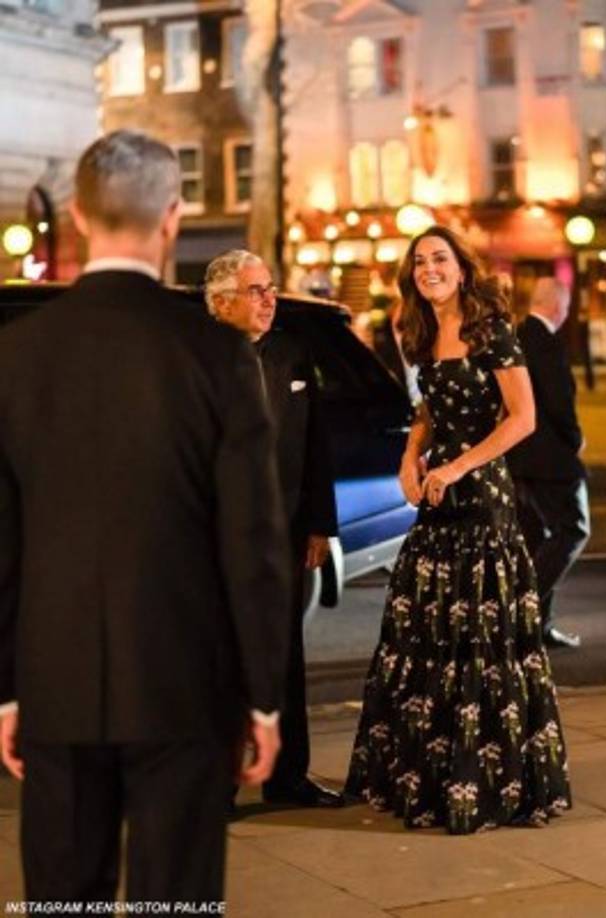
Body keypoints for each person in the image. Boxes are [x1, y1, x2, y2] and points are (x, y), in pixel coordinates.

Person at [0, 131, 290, 905]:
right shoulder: (216, 355)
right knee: (176, 897)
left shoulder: (17, 355)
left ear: (77, 215)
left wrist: (7, 689)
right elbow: (252, 541)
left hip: (54, 679)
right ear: (172, 218)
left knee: (63, 898)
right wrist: (261, 696)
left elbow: (3, 544)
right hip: (183, 682)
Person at [345, 225, 571, 834]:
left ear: (462, 268)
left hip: (482, 501)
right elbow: (428, 410)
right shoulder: (420, 330)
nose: (429, 269)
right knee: (424, 635)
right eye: (419, 262)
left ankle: (487, 782)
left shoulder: (491, 329)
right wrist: (408, 458)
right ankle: (427, 777)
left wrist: (458, 464)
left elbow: (522, 419)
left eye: (439, 259)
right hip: (437, 500)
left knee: (479, 640)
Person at [205, 250, 342, 809]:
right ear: (219, 304)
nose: (268, 300)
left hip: (283, 534)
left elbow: (316, 446)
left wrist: (318, 525)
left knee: (285, 658)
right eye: (256, 291)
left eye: (269, 289)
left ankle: (288, 778)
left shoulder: (291, 353)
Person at [507, 277, 590, 649]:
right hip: (549, 458)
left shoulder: (516, 337)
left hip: (520, 458)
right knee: (573, 530)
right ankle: (523, 614)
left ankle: (537, 625)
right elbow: (558, 402)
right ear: (559, 306)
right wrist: (575, 440)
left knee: (536, 538)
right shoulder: (547, 343)